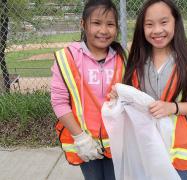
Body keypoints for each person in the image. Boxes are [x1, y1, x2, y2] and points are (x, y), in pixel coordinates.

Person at [110, 0, 187, 179]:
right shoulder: (136, 63)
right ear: (142, 29)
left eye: (164, 22)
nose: (157, 30)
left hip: (178, 152)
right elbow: (132, 101)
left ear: (176, 22)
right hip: (145, 147)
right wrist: (120, 96)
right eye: (149, 24)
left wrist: (173, 107)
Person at [50, 0, 126, 179]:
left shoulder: (123, 58)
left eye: (110, 24)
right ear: (83, 24)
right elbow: (59, 102)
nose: (104, 30)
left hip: (117, 143)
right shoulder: (66, 57)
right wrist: (80, 138)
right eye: (96, 23)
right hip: (86, 142)